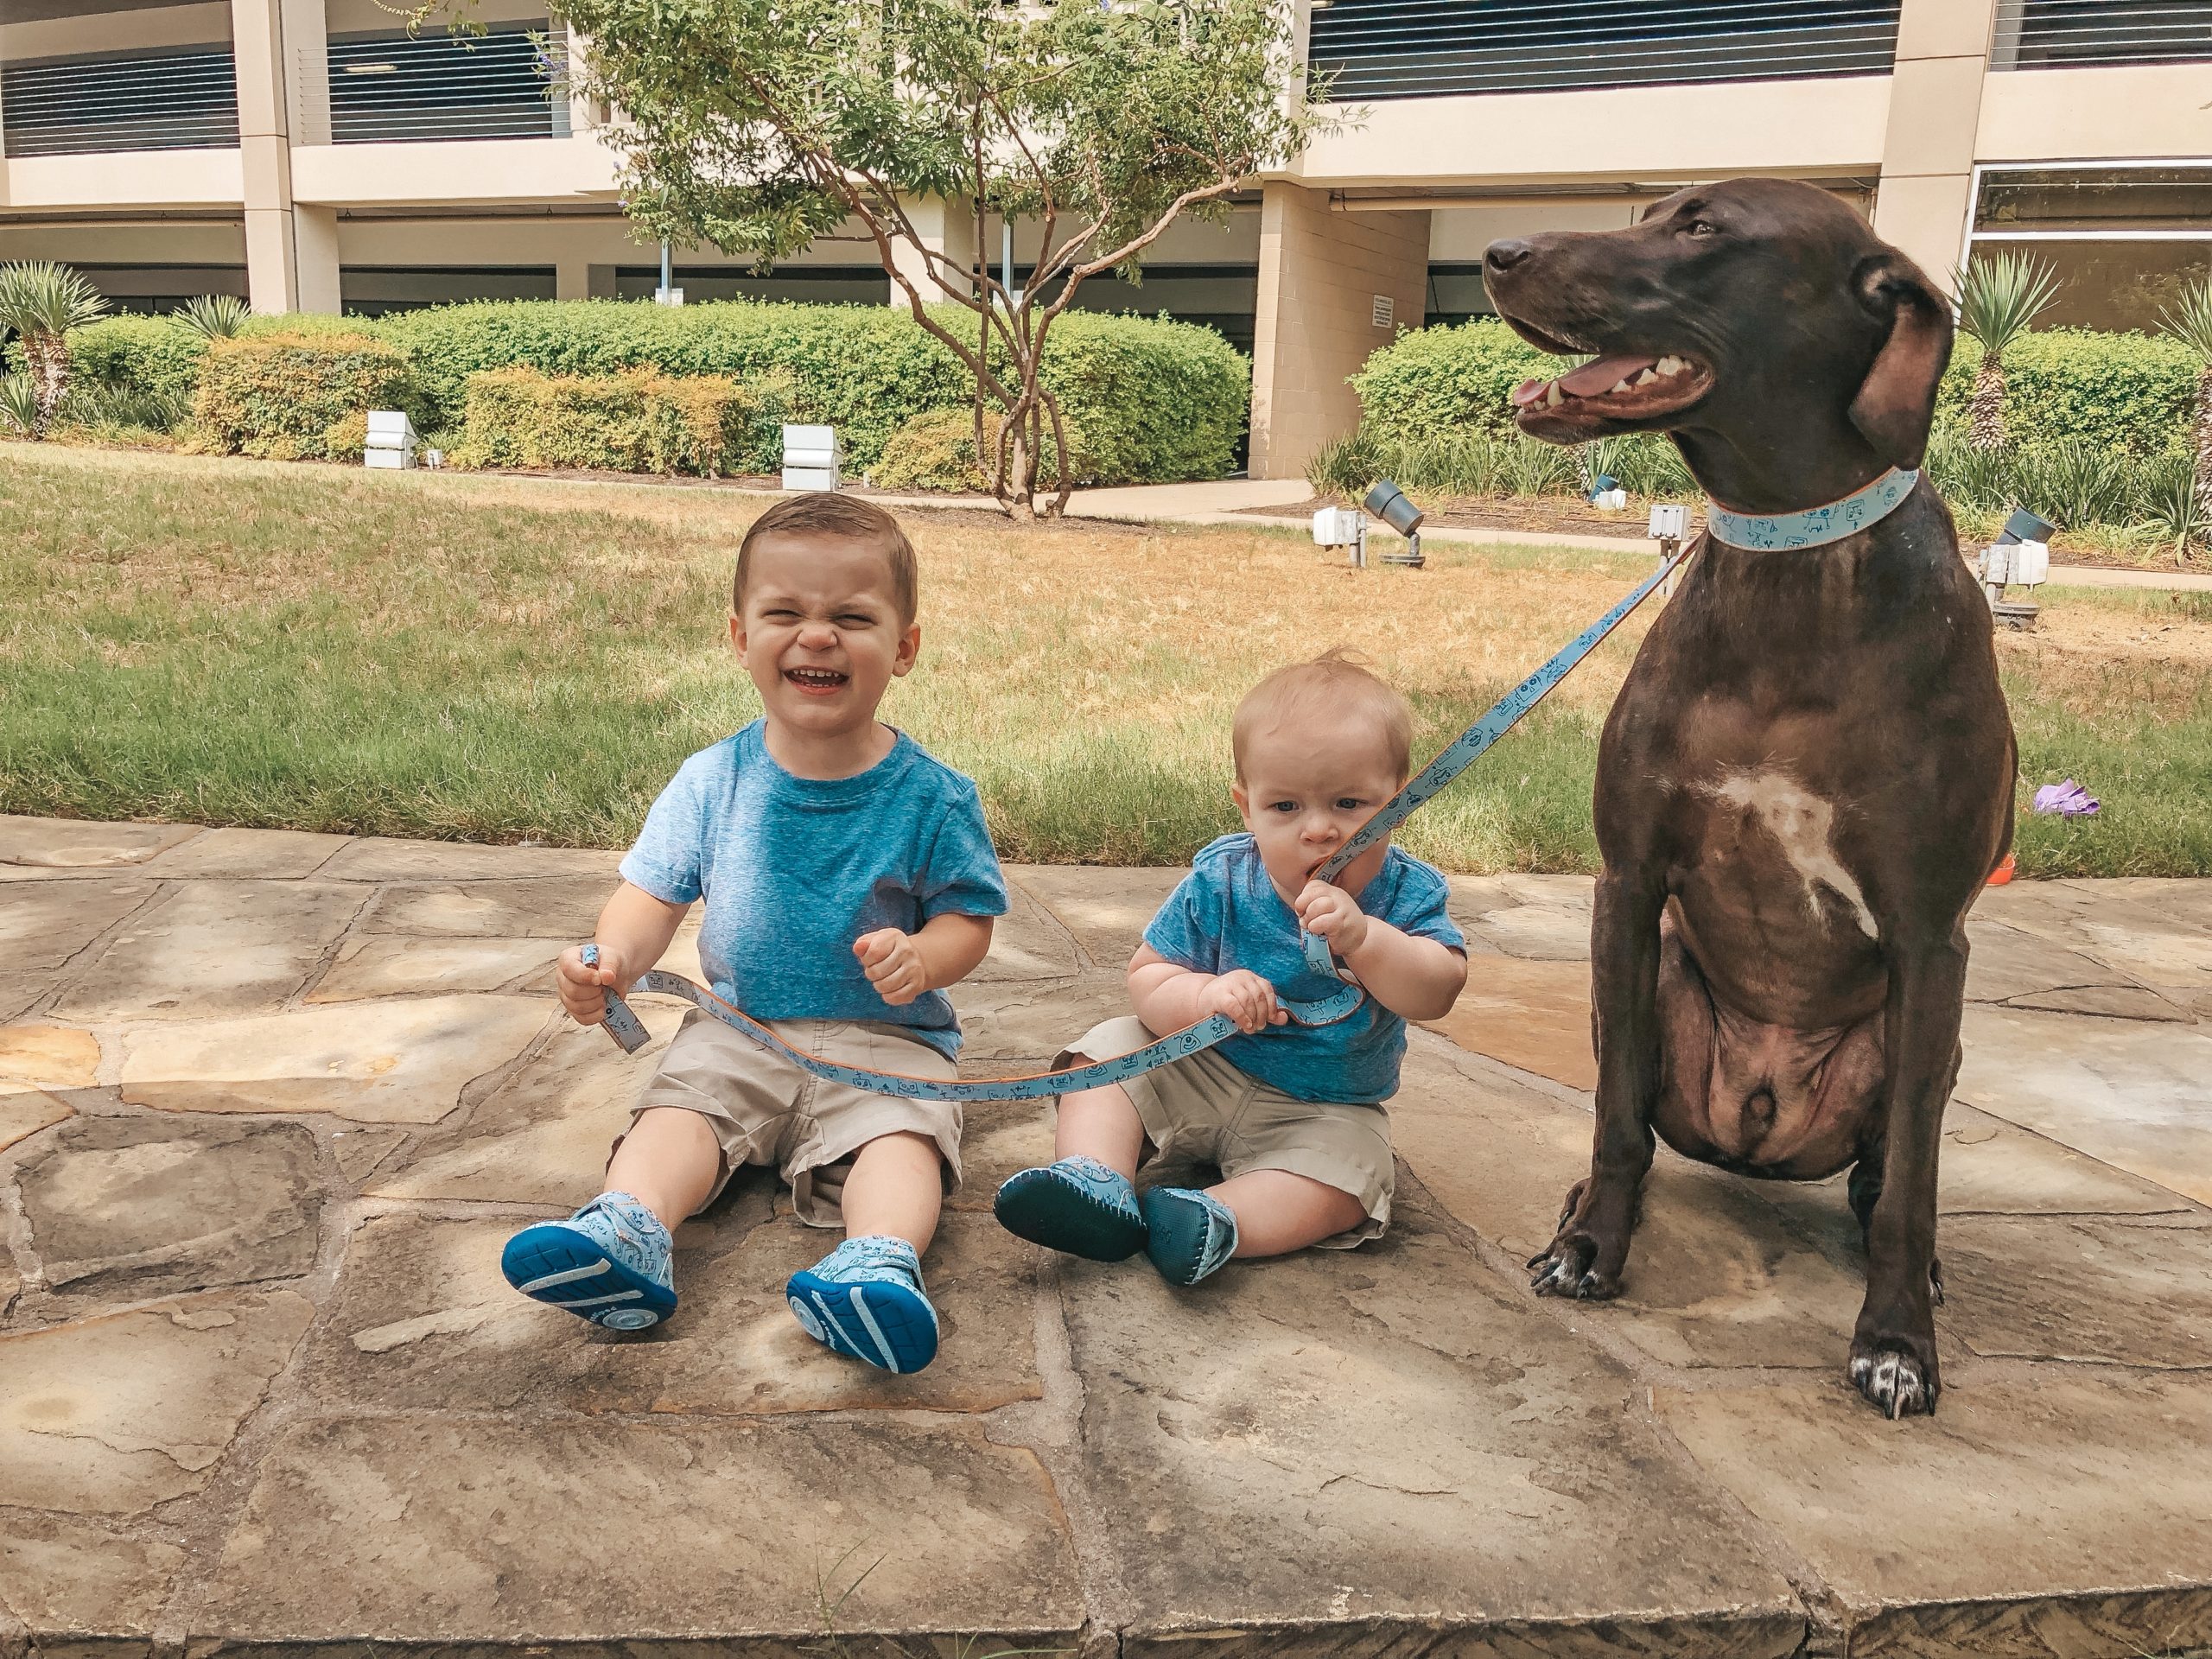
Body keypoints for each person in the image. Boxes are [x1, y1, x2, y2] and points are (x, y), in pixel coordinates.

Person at [501, 493, 1006, 1374]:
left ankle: (878, 1262)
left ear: (905, 647)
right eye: (786, 613)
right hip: (740, 1028)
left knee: (903, 1137)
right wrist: (613, 957)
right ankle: (630, 1228)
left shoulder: (934, 795)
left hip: (888, 1039)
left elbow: (971, 918)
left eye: (853, 617)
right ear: (739, 637)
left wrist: (925, 957)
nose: (818, 636)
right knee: (678, 1111)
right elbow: (649, 896)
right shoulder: (710, 781)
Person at [995, 652, 1468, 1285]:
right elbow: (1147, 978)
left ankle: (1211, 1221)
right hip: (1206, 1068)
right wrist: (1204, 995)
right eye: (1286, 808)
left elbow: (1437, 989)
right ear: (1247, 807)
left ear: (1398, 806)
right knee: (1106, 1053)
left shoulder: (1408, 895)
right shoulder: (1223, 879)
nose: (1320, 831)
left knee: (1355, 1171)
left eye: (1350, 803)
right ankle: (1095, 1182)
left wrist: (1368, 938)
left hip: (1324, 1104)